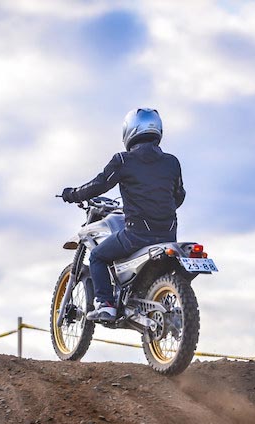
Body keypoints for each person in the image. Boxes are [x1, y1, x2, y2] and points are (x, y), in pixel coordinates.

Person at [61, 108, 186, 322]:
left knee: (97, 256)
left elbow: (98, 185)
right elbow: (179, 196)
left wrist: (73, 194)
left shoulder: (123, 160)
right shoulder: (172, 162)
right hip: (168, 235)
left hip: (136, 235)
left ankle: (106, 305)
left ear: (130, 130)